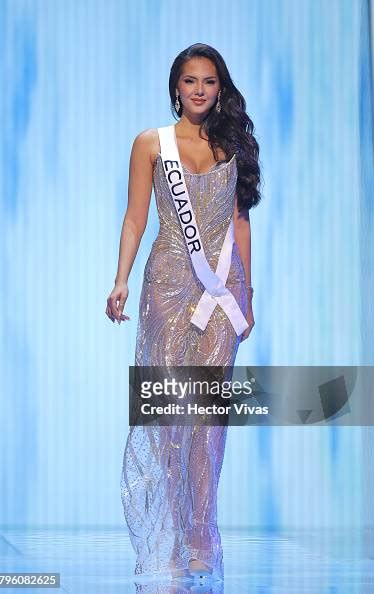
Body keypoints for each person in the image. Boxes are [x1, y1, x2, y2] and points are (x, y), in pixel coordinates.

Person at [105, 43, 261, 585]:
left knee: (208, 421)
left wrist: (248, 294)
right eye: (190, 81)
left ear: (221, 88)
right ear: (176, 87)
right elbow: (134, 218)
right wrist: (121, 279)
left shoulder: (232, 144)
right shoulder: (152, 144)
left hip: (222, 293)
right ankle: (172, 534)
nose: (199, 90)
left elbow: (240, 224)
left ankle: (202, 535)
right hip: (168, 287)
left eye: (210, 81)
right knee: (170, 416)